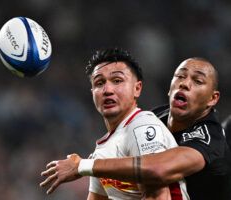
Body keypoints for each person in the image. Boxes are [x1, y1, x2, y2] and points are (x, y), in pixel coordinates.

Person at [40, 57, 230, 200]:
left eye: (197, 81)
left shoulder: (209, 136)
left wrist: (83, 166)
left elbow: (158, 169)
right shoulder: (152, 119)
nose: (185, 83)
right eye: (180, 76)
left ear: (212, 99)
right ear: (170, 88)